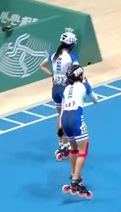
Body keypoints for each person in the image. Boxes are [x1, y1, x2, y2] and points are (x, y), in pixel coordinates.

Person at [39, 31, 79, 161]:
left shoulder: (53, 56)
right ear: (71, 44)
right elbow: (77, 74)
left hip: (55, 89)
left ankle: (61, 144)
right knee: (66, 118)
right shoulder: (72, 58)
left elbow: (42, 66)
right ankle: (66, 145)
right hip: (65, 91)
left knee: (59, 115)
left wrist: (52, 75)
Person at [60, 64, 98, 198]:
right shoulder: (84, 85)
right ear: (80, 75)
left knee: (73, 148)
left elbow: (64, 106)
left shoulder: (65, 89)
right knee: (83, 150)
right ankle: (76, 180)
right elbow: (95, 100)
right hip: (76, 118)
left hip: (65, 119)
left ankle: (74, 174)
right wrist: (88, 85)